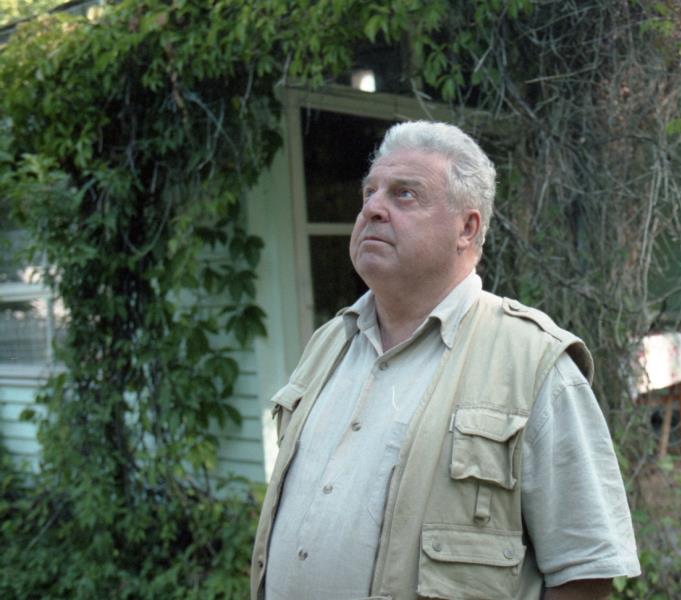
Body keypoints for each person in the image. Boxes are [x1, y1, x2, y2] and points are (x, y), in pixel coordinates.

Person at [250, 121, 640, 600]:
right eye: (370, 192)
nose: (372, 209)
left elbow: (586, 570)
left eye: (404, 194)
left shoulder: (533, 361)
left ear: (467, 228)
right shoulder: (329, 342)